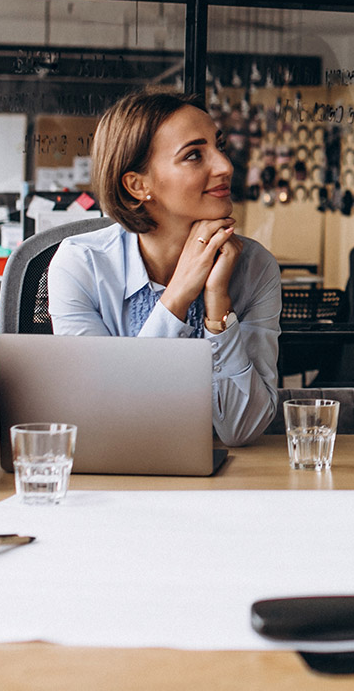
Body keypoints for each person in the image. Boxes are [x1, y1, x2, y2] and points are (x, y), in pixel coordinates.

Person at [45, 88, 281, 446]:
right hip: (111, 479)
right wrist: (178, 297)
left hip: (224, 483)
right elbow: (110, 419)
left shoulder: (254, 266)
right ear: (138, 185)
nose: (225, 166)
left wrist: (218, 308)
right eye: (193, 155)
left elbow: (242, 430)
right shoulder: (81, 265)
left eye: (220, 148)